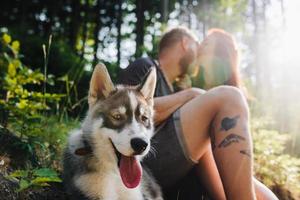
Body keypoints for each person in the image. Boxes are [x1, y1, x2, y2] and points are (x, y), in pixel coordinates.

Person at [117, 26, 277, 200]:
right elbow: (126, 114)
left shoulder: (176, 89)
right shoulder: (146, 66)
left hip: (173, 171)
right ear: (185, 44)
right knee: (230, 96)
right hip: (141, 161)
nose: (199, 48)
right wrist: (190, 94)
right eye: (197, 44)